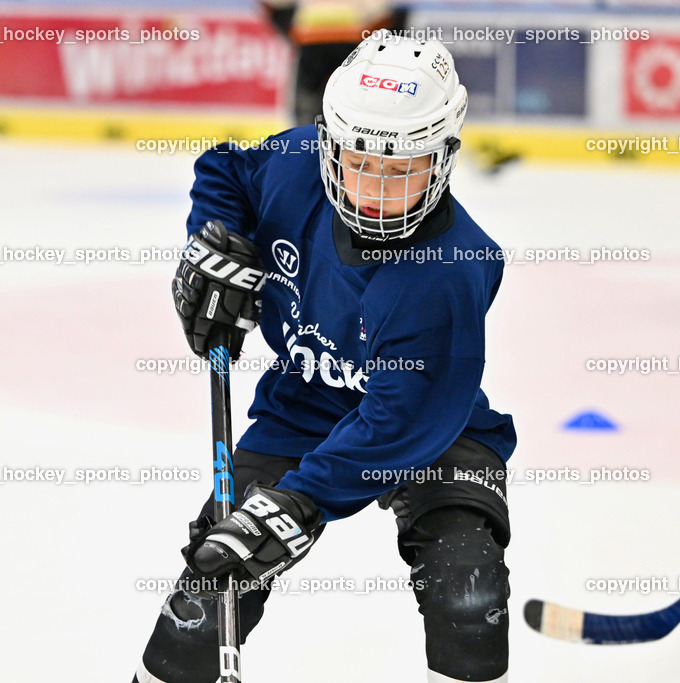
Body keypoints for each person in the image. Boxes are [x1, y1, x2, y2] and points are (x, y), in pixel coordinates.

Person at [134, 31, 516, 683]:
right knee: (207, 595)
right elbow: (224, 170)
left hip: (431, 426)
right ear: (328, 144)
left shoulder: (450, 270)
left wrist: (302, 502)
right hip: (305, 405)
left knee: (468, 595)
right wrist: (213, 243)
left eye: (402, 170)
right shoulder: (295, 166)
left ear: (444, 157)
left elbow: (398, 425)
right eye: (359, 161)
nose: (374, 190)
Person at [260, 0, 408, 125]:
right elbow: (382, 13)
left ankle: (307, 145)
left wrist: (293, 30)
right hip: (352, 38)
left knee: (307, 102)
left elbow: (273, 4)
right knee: (355, 100)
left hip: (312, 37)